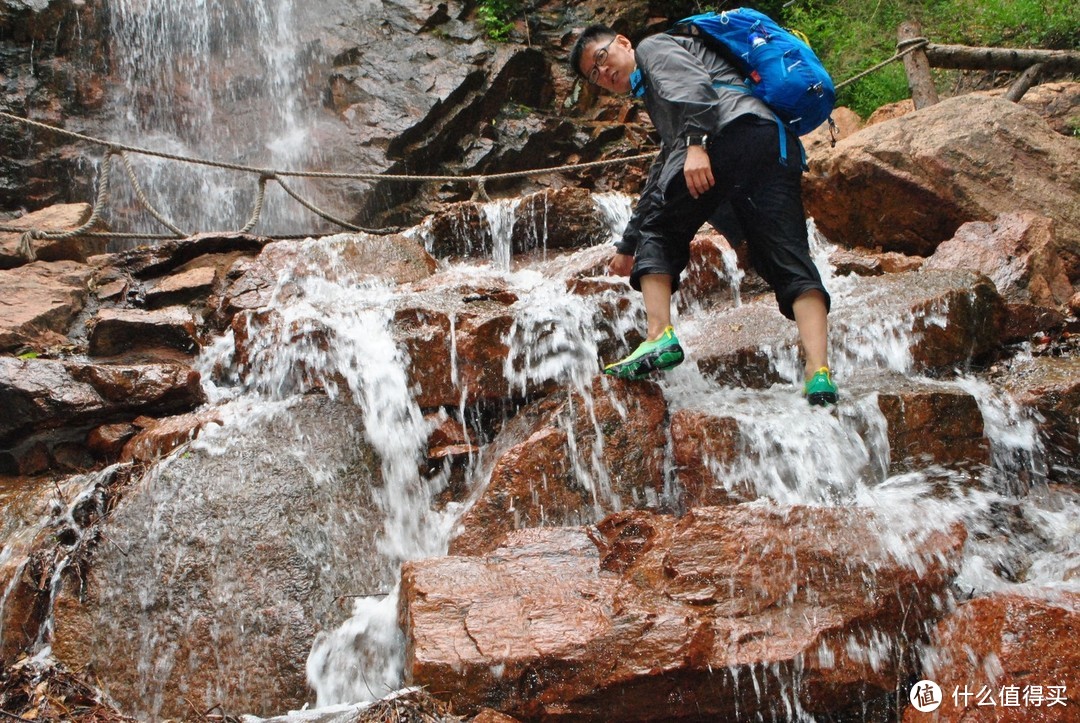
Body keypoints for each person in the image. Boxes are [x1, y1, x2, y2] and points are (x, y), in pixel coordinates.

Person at [569, 23, 839, 406]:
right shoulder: (662, 93)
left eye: (601, 58)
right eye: (594, 75)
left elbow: (695, 87)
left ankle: (658, 336)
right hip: (772, 142)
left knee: (660, 231)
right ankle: (819, 372)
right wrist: (627, 243)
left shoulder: (653, 48)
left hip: (724, 134)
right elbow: (662, 172)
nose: (604, 74)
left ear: (623, 43)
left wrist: (696, 145)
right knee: (788, 256)